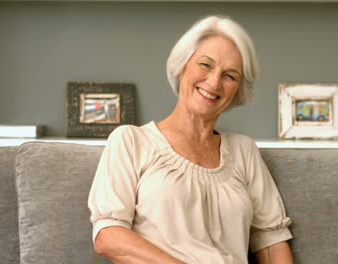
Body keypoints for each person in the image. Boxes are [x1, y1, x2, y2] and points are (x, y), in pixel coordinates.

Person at [88, 15, 294, 264]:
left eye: (230, 76)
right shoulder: (130, 141)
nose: (214, 82)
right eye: (205, 65)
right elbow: (109, 237)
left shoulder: (244, 150)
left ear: (238, 90)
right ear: (182, 65)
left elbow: (271, 240)